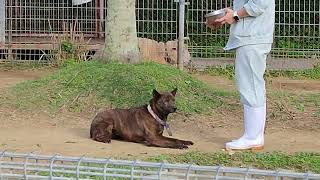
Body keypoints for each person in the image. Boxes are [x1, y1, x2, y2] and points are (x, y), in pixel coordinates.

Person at [206, 0, 275, 150]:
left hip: (253, 38)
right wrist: (228, 14)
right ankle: (254, 135)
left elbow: (259, 4)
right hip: (251, 37)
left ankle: (253, 137)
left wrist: (236, 15)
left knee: (250, 85)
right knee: (251, 84)